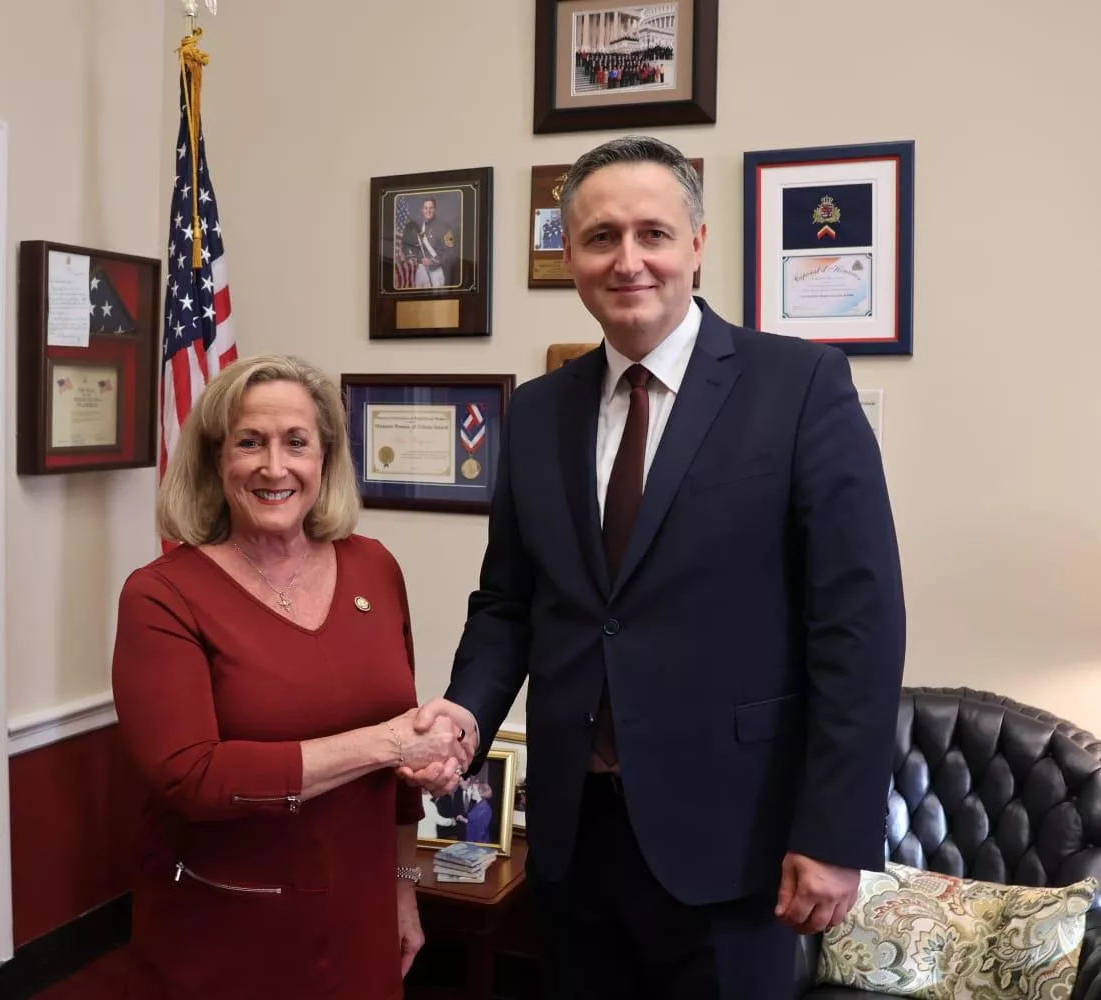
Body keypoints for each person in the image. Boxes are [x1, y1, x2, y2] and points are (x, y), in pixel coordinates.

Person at [404, 135, 906, 999]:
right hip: (573, 840)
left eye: (653, 234)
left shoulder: (799, 386)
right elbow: (508, 603)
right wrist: (466, 713)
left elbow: (858, 626)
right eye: (601, 237)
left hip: (736, 843)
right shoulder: (537, 412)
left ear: (698, 245)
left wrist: (834, 832)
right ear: (571, 256)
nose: (628, 260)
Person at [110, 353, 473, 999]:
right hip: (229, 928)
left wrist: (404, 888)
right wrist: (387, 743)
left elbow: (401, 776)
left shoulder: (375, 568)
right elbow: (192, 777)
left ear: (325, 459)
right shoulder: (161, 595)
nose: (274, 467)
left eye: (296, 443)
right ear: (216, 459)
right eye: (250, 442)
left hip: (361, 913)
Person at [400, 196, 459, 288]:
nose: (428, 211)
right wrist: (415, 259)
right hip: (420, 270)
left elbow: (451, 252)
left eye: (431, 208)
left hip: (436, 272)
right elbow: (408, 247)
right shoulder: (417, 226)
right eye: (426, 208)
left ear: (435, 209)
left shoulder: (444, 227)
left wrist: (432, 262)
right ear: (422, 209)